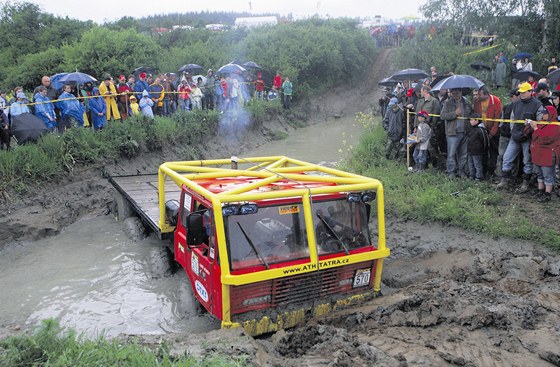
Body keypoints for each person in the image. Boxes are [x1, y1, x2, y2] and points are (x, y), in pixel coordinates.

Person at [497, 82, 546, 191]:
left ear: (530, 92)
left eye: (524, 92)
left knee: (527, 161)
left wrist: (532, 127)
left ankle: (525, 183)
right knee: (507, 158)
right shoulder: (516, 103)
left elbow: (540, 121)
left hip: (528, 137)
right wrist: (512, 131)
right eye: (520, 92)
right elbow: (512, 118)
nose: (521, 94)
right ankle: (504, 181)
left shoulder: (537, 104)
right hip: (515, 136)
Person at [529, 105, 560, 202]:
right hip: (539, 153)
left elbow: (546, 139)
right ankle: (540, 190)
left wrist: (535, 129)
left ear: (550, 114)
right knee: (539, 174)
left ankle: (547, 194)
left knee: (547, 174)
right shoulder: (542, 122)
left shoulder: (556, 125)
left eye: (545, 113)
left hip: (548, 154)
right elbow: (535, 137)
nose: (543, 114)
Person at [440, 88, 473, 178]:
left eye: (457, 93)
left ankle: (461, 171)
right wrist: (455, 113)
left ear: (461, 92)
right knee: (451, 154)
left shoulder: (467, 102)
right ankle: (451, 172)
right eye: (453, 93)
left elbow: (471, 114)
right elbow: (442, 116)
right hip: (452, 132)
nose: (455, 95)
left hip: (465, 132)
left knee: (463, 154)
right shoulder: (448, 103)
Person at [473, 85, 502, 178]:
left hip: (494, 130)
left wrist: (492, 133)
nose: (478, 97)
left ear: (486, 94)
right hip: (482, 130)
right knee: (482, 151)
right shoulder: (477, 102)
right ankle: (483, 170)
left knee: (493, 152)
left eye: (480, 95)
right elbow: (476, 116)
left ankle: (491, 171)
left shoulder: (496, 101)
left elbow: (498, 118)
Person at [466, 113, 490, 181]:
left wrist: (484, 150)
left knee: (477, 165)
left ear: (477, 120)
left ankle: (478, 177)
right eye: (470, 120)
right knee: (470, 164)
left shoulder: (481, 130)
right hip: (470, 150)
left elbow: (485, 141)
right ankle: (471, 175)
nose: (470, 121)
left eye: (472, 120)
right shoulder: (471, 129)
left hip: (478, 152)